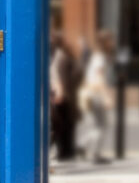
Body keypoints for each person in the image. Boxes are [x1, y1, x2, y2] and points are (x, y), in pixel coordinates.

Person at [79, 30, 114, 164]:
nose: (112, 43)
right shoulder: (100, 58)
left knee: (97, 125)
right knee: (101, 125)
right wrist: (107, 97)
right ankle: (92, 152)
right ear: (105, 42)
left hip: (90, 93)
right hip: (96, 95)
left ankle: (83, 146)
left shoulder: (96, 56)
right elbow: (99, 79)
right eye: (110, 40)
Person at [49, 32, 79, 161]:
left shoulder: (61, 56)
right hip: (64, 95)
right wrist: (60, 92)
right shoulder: (60, 56)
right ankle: (62, 151)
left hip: (67, 94)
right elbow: (57, 76)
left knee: (66, 123)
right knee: (61, 124)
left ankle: (66, 151)